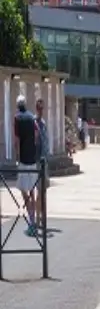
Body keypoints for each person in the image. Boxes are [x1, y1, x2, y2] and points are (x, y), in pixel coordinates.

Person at [13, 96, 43, 236]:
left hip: (24, 159)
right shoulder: (32, 118)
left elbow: (17, 140)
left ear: (17, 106)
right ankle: (33, 222)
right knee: (32, 190)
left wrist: (18, 156)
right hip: (32, 158)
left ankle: (31, 222)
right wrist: (32, 145)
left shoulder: (17, 118)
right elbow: (37, 134)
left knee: (24, 190)